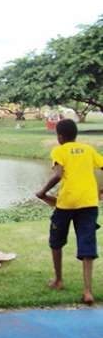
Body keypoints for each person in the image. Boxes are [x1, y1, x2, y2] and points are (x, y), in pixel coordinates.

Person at [35, 119, 103, 305]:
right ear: (76, 134)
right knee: (87, 243)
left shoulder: (59, 150)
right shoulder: (88, 150)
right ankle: (88, 291)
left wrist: (42, 192)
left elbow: (58, 174)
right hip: (89, 203)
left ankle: (58, 280)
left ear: (60, 136)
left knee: (56, 241)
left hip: (66, 203)